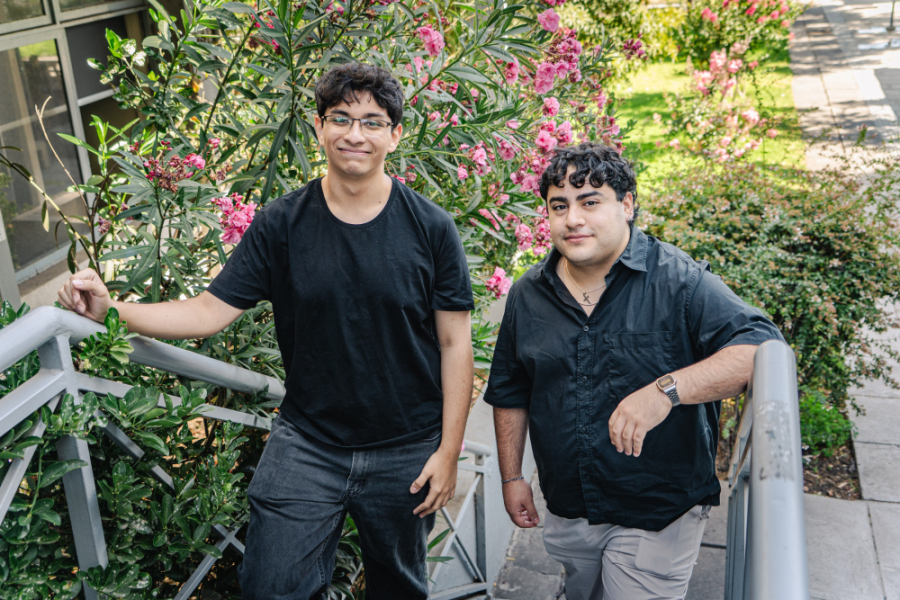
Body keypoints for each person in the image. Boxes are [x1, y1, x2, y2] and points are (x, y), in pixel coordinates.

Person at [57, 63, 475, 600]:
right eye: (341, 118)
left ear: (395, 135)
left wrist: (448, 452)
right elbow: (209, 311)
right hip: (308, 443)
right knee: (270, 586)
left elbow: (454, 344)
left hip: (406, 450)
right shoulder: (282, 223)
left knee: (399, 586)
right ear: (318, 128)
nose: (354, 134)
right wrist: (112, 310)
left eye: (372, 122)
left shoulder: (431, 227)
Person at [483, 142, 784, 600]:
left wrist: (666, 390)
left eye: (590, 202)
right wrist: (510, 477)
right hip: (568, 507)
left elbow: (762, 346)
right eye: (559, 206)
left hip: (658, 510)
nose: (573, 219)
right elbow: (510, 390)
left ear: (626, 204)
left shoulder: (678, 280)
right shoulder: (528, 294)